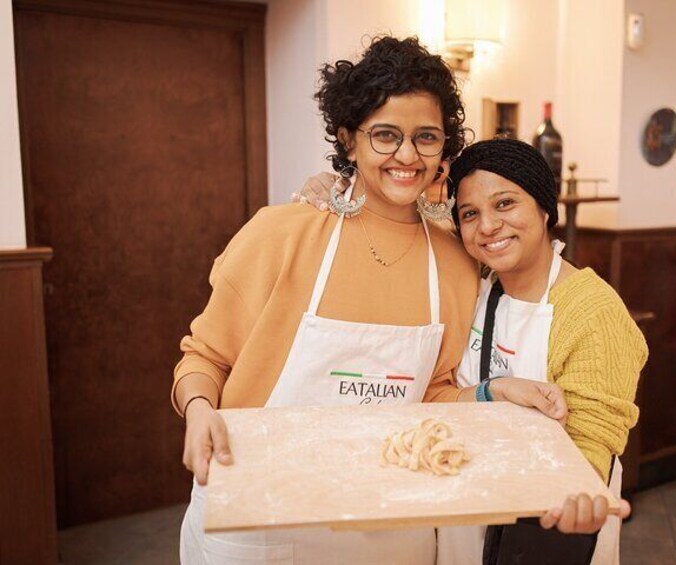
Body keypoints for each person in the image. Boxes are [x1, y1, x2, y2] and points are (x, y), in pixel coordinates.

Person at [173, 36, 568, 565]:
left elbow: (431, 395)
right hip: (261, 522)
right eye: (385, 135)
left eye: (425, 137)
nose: (407, 156)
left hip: (390, 529)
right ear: (348, 139)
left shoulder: (454, 260)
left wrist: (495, 392)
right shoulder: (280, 235)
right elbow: (204, 357)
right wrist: (198, 409)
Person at [300, 138, 646, 564]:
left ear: (543, 208)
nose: (487, 227)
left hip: (549, 526)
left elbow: (592, 440)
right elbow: (391, 221)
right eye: (470, 214)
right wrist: (331, 187)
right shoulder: (471, 276)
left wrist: (577, 493)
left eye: (505, 204)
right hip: (463, 512)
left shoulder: (593, 311)